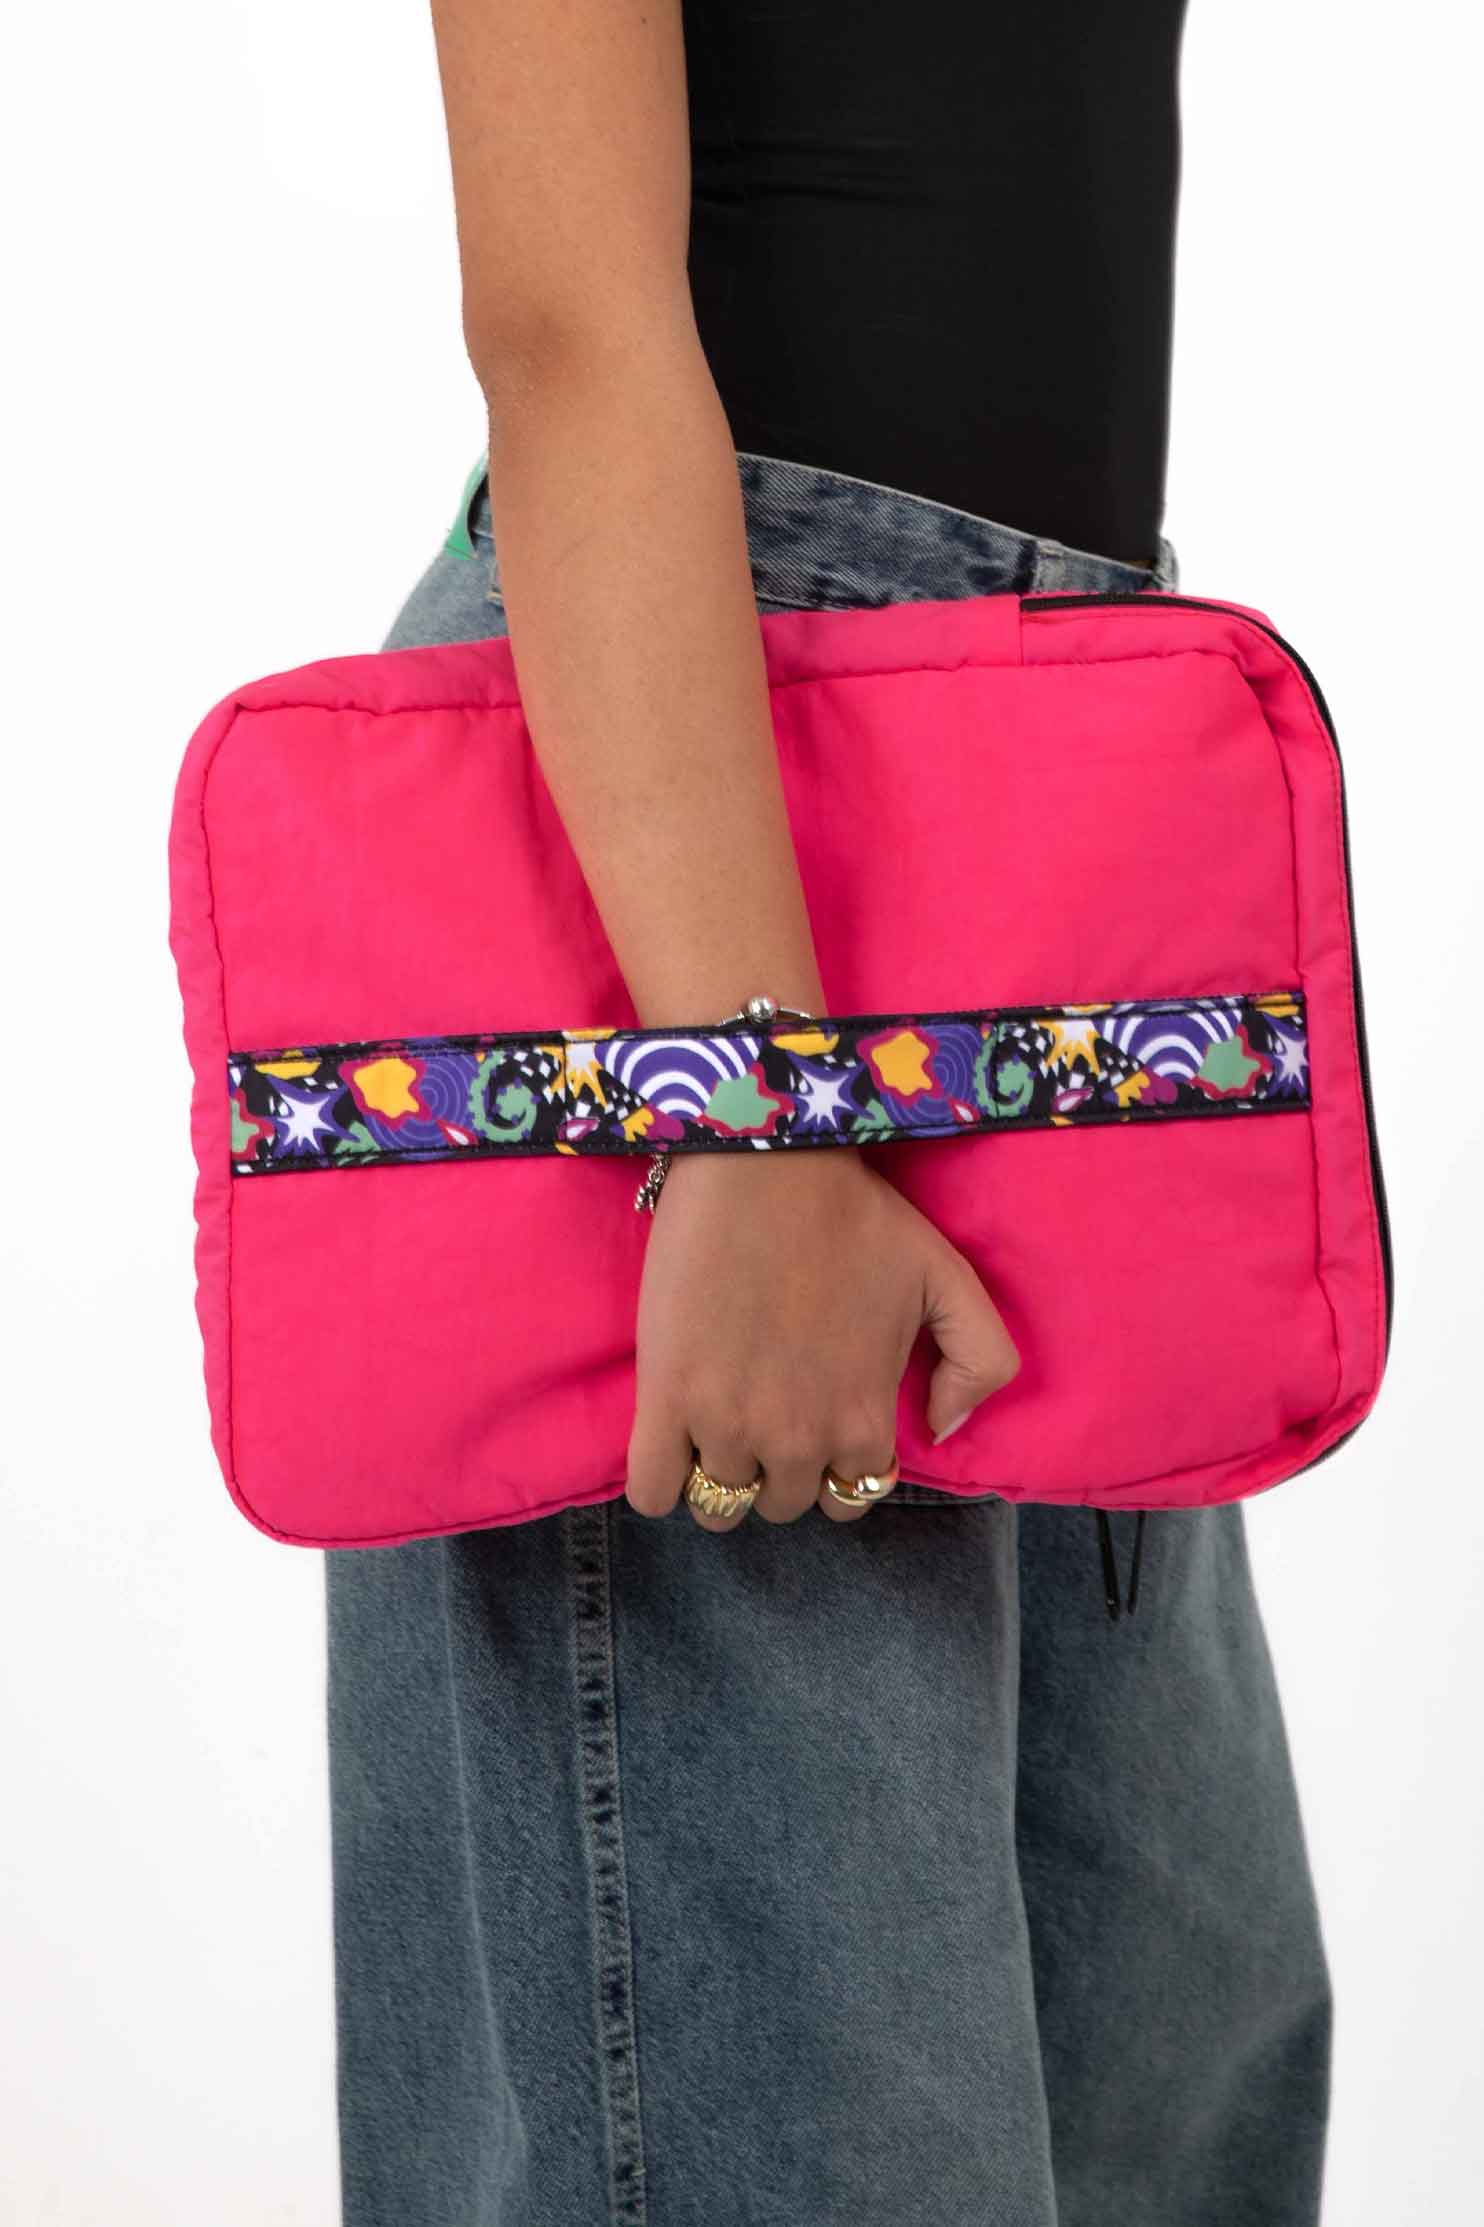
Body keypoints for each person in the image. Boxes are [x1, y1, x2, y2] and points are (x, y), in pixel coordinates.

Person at [327, 5, 1332, 2221]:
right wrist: (748, 1098)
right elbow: (567, 316)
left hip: (1042, 778)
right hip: (711, 822)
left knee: (1173, 2097)